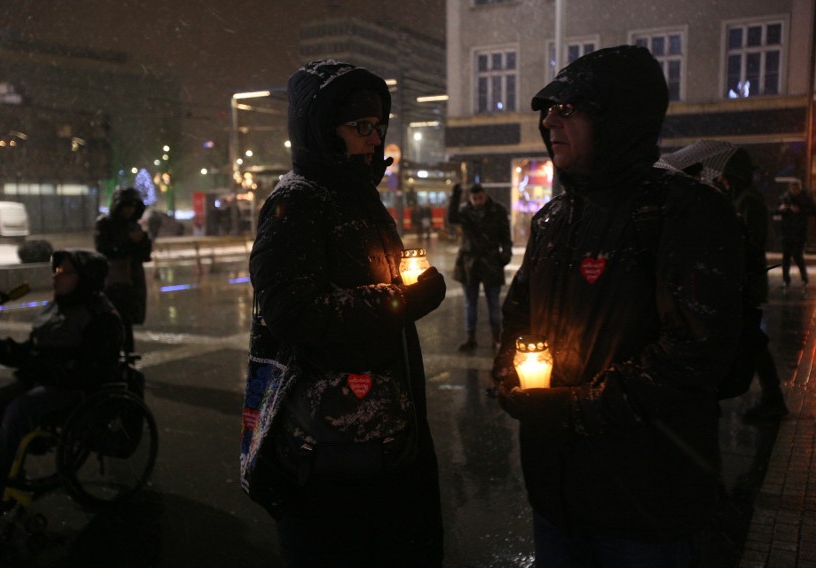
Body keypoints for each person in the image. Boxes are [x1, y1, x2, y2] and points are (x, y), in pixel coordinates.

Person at [492, 45, 745, 567]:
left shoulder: (682, 209)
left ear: (618, 118)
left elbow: (695, 353)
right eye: (547, 110)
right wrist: (508, 377)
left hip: (646, 502)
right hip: (556, 492)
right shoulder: (552, 218)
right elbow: (520, 318)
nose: (550, 121)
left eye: (568, 109)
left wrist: (578, 407)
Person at [243, 60, 446, 566]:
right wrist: (403, 300)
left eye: (379, 127)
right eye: (361, 127)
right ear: (320, 129)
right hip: (326, 454)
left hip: (379, 441)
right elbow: (292, 312)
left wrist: (408, 286)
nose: (375, 140)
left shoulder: (359, 198)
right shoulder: (299, 203)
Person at [0, 249, 124, 518]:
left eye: (64, 272)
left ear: (85, 278)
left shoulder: (102, 317)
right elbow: (33, 352)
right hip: (44, 379)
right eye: (55, 271)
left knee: (17, 410)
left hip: (75, 389)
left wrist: (41, 369)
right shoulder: (58, 307)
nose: (55, 278)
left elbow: (89, 371)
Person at [714, 149, 788, 421]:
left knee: (752, 341)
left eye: (726, 176)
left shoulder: (749, 201)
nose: (723, 180)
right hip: (743, 281)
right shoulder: (740, 199)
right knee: (751, 340)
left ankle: (773, 398)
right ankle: (771, 397)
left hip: (747, 281)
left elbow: (750, 242)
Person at [447, 182, 512, 352]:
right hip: (469, 262)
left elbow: (506, 236)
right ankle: (471, 338)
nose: (477, 201)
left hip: (491, 261)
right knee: (470, 303)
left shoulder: (498, 210)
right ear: (470, 198)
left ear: (485, 195)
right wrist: (455, 196)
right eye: (474, 198)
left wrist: (505, 255)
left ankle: (496, 338)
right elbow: (451, 218)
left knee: (494, 303)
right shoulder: (465, 211)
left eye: (480, 197)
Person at [95, 186, 152, 353]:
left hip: (132, 278)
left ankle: (127, 354)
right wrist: (128, 242)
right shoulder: (106, 224)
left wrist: (142, 242)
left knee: (127, 320)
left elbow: (144, 256)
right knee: (114, 318)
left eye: (133, 207)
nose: (129, 210)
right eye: (126, 206)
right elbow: (105, 249)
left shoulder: (134, 226)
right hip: (114, 279)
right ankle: (115, 354)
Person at [777, 180, 816, 291]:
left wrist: (800, 210)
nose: (794, 191)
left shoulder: (806, 198)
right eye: (793, 189)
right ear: (790, 188)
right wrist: (781, 209)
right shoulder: (784, 198)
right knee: (786, 257)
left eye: (797, 188)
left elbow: (813, 211)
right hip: (786, 232)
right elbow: (775, 210)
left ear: (800, 188)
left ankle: (804, 278)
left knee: (797, 255)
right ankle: (786, 279)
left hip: (799, 232)